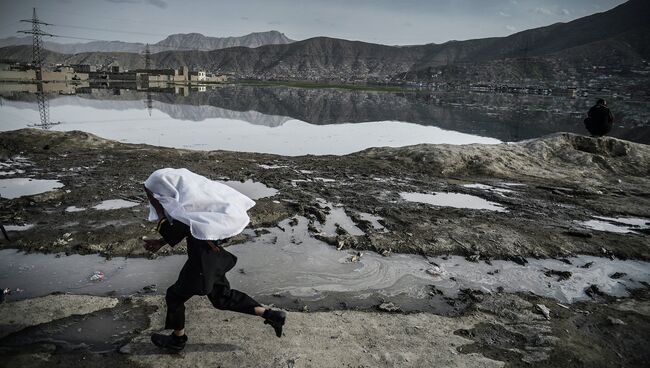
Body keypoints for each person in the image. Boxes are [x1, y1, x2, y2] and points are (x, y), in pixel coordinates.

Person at [142, 169, 286, 353]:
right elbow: (183, 229)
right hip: (211, 259)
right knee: (222, 298)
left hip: (201, 264)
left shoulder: (188, 210)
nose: (153, 198)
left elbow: (175, 229)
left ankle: (177, 340)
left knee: (174, 296)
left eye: (155, 194)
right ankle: (272, 315)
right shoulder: (194, 207)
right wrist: (161, 242)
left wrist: (157, 206)